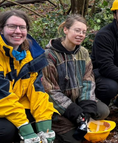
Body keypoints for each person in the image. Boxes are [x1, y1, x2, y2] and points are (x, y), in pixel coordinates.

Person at [42, 14, 110, 142]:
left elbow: (88, 80)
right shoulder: (49, 55)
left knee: (103, 111)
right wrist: (74, 111)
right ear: (66, 30)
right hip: (58, 106)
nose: (81, 34)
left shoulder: (83, 52)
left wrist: (86, 108)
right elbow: (50, 91)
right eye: (77, 30)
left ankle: (81, 120)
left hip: (78, 100)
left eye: (84, 32)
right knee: (73, 138)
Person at [0, 10, 57, 143]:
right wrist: (25, 128)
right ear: (1, 29)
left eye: (22, 27)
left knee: (41, 120)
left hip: (14, 104)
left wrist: (45, 128)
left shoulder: (31, 55)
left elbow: (37, 91)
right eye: (12, 26)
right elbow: (2, 96)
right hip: (4, 104)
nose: (18, 31)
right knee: (6, 130)